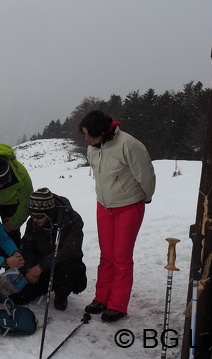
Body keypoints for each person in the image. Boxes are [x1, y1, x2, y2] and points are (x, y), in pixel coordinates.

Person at [78, 109, 156, 322]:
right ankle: (101, 298)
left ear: (103, 132)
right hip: (104, 206)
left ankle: (118, 304)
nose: (87, 139)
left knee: (121, 257)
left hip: (128, 206)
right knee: (106, 255)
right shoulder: (94, 147)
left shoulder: (129, 145)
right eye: (84, 134)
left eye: (90, 135)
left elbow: (146, 175)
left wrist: (145, 197)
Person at [9, 188, 87, 311]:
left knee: (70, 266)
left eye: (38, 216)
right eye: (31, 215)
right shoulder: (33, 222)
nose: (34, 219)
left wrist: (40, 267)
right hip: (41, 268)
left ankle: (61, 295)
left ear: (49, 212)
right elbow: (27, 246)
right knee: (16, 298)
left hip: (61, 266)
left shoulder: (71, 219)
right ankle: (39, 286)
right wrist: (30, 267)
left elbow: (71, 250)